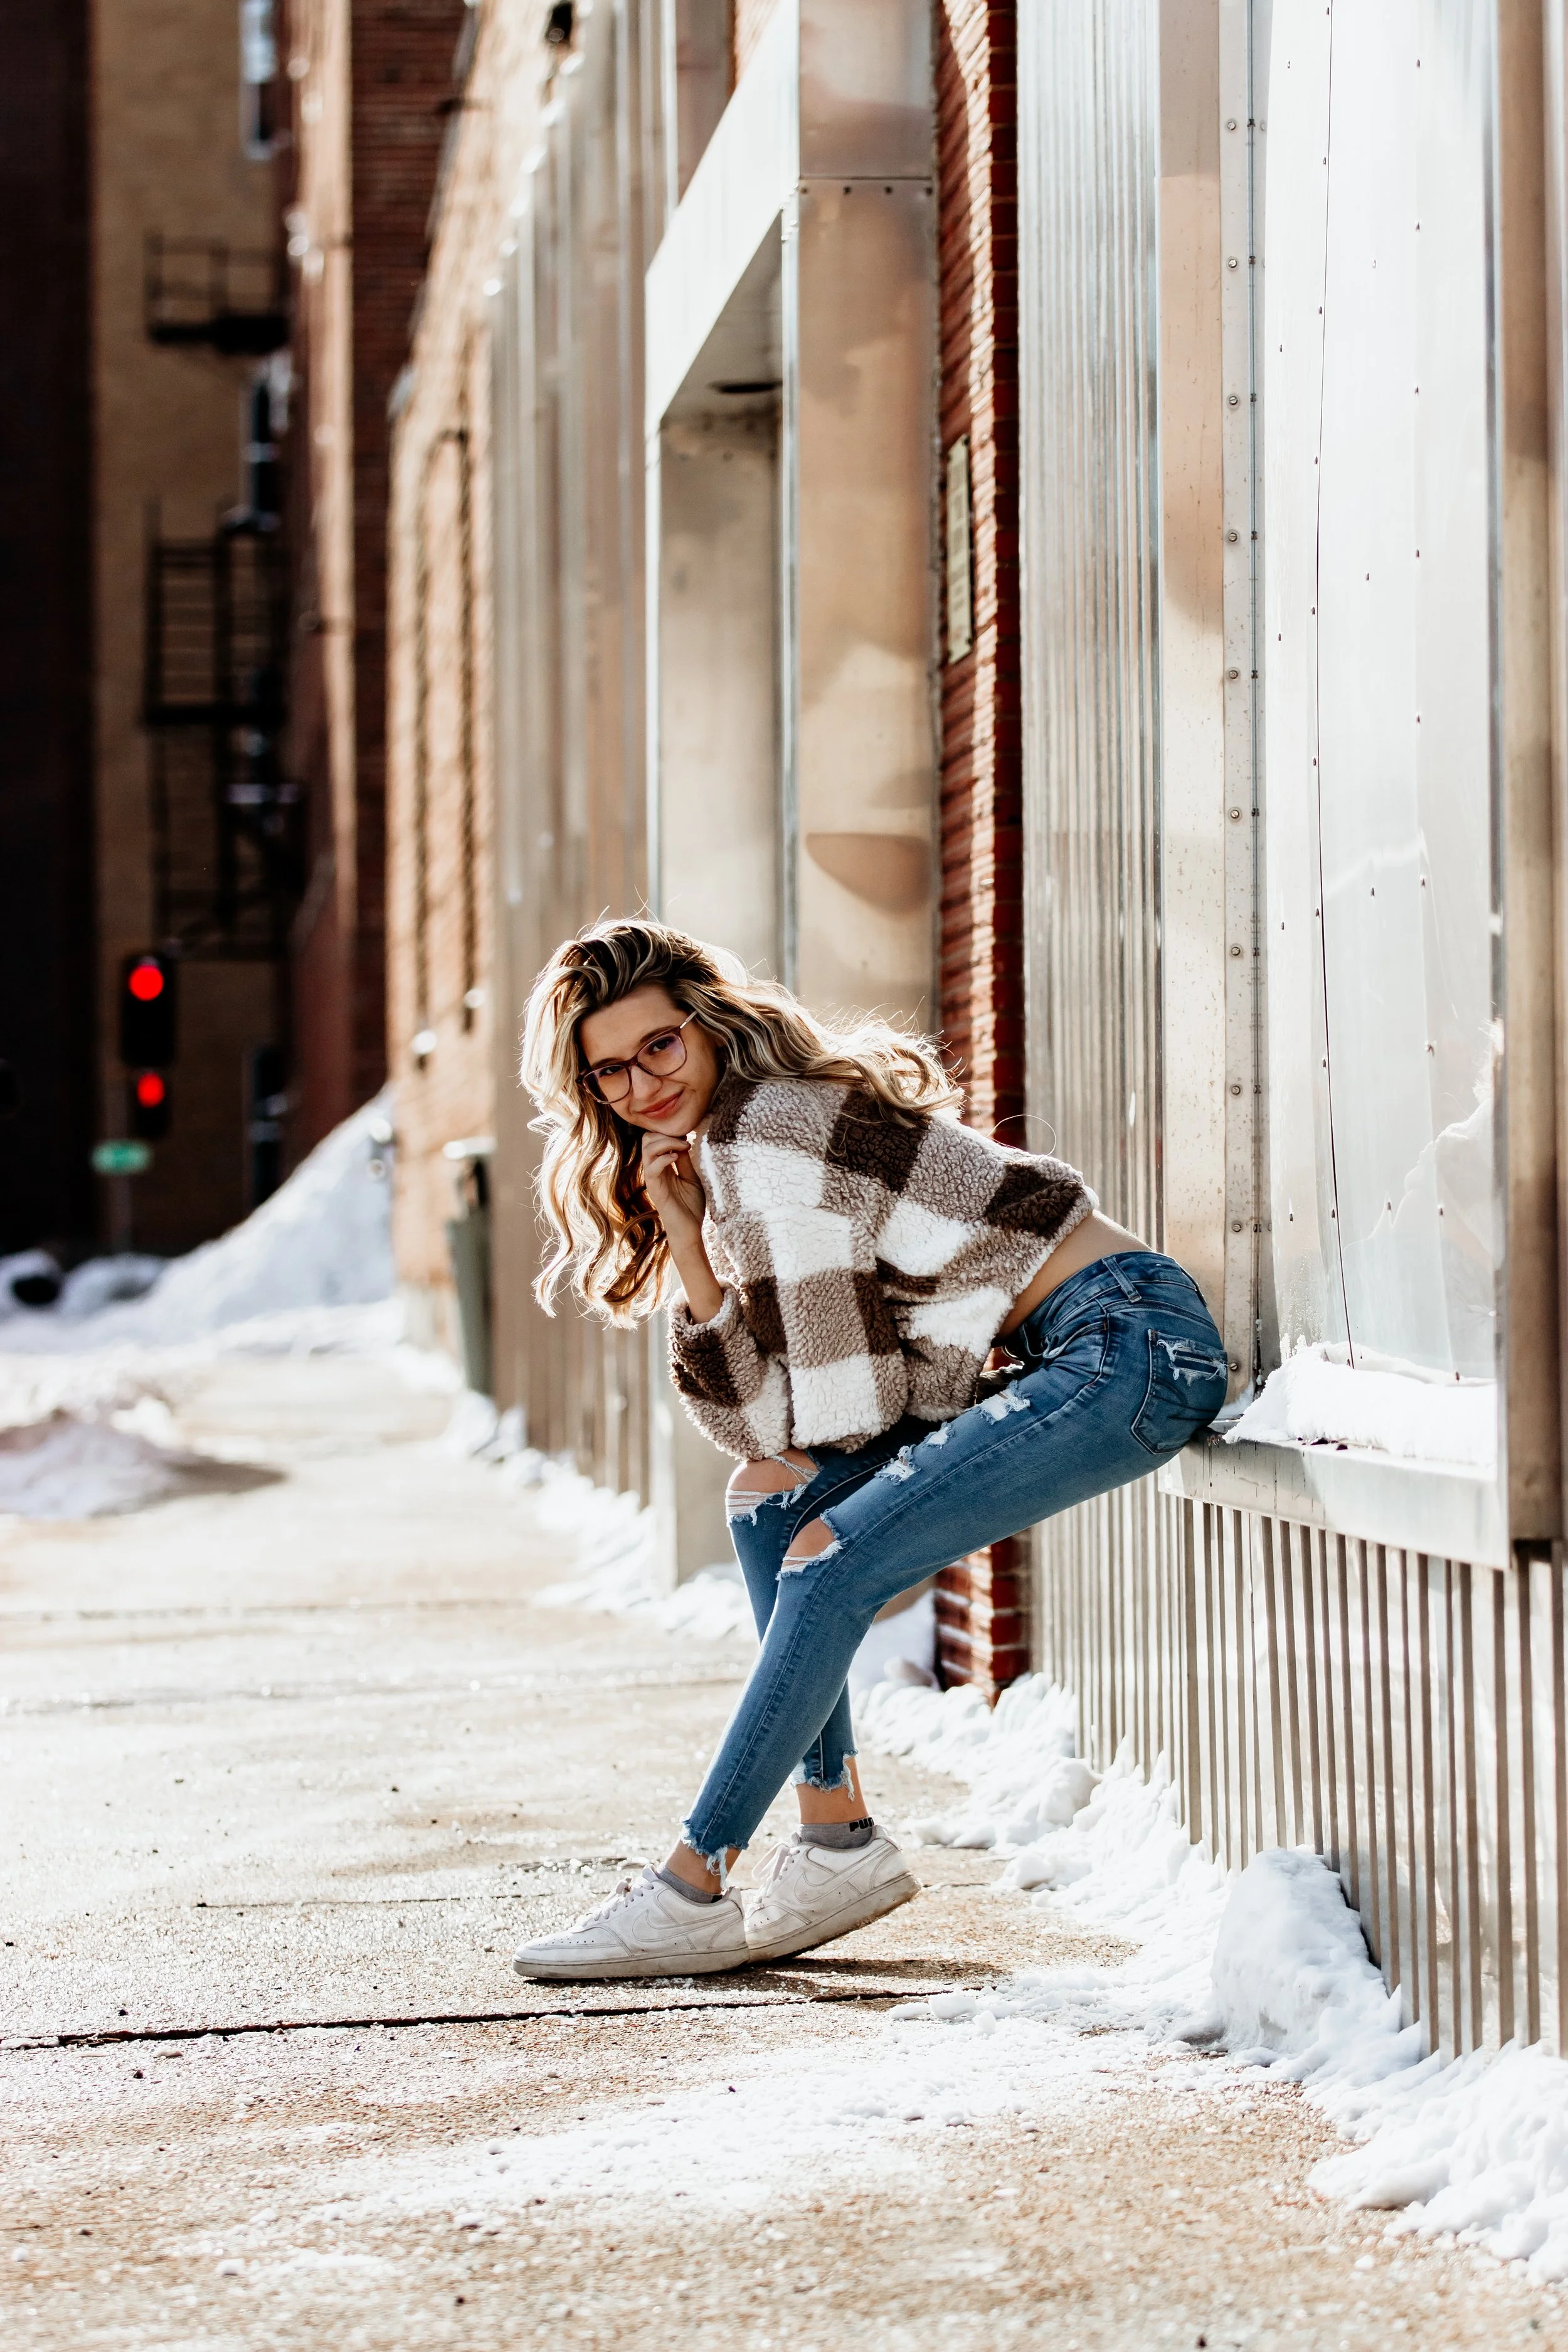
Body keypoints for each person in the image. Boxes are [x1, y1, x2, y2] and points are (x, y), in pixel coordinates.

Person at [510, 919, 1228, 1981]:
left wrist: (723, 1267)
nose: (641, 1084)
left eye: (657, 1047)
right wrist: (695, 1252)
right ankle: (836, 1835)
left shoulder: (770, 1134)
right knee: (767, 1498)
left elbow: (843, 1410)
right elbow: (778, 1436)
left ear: (706, 1025)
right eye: (609, 1073)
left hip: (1127, 1346)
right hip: (1082, 1349)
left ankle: (692, 1882)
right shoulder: (737, 1142)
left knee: (823, 1551)